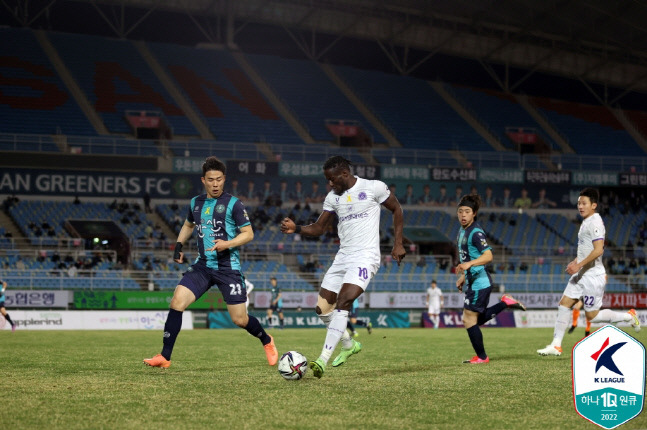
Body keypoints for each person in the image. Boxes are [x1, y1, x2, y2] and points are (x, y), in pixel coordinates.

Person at [144, 156, 277, 369]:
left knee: (240, 320)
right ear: (203, 180)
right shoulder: (195, 203)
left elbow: (249, 234)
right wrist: (178, 245)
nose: (215, 184)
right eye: (210, 180)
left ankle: (266, 340)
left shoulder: (233, 204)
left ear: (224, 179)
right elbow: (189, 225)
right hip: (203, 266)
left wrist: (227, 244)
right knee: (177, 301)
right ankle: (165, 356)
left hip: (228, 268)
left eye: (219, 179)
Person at [280, 156, 405, 378]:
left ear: (344, 174)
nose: (330, 184)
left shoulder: (374, 187)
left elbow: (397, 209)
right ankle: (349, 345)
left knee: (344, 301)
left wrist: (398, 243)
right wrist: (296, 228)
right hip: (343, 257)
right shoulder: (333, 198)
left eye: (332, 179)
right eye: (327, 180)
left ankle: (322, 360)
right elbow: (319, 228)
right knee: (322, 310)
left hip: (366, 256)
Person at [537, 188, 640, 356]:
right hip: (582, 273)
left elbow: (599, 250)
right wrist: (576, 262)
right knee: (564, 304)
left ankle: (629, 316)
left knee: (592, 316)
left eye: (584, 203)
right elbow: (587, 249)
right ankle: (556, 345)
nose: (580, 206)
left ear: (594, 205)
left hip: (592, 276)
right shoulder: (586, 221)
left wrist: (579, 265)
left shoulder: (595, 223)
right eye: (579, 203)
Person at [455, 194, 526, 364]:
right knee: (473, 320)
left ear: (474, 213)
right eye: (460, 211)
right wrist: (464, 276)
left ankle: (482, 357)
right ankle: (505, 303)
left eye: (467, 211)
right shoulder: (462, 231)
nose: (463, 215)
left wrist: (468, 265)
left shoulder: (476, 233)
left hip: (480, 283)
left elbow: (488, 256)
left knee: (468, 319)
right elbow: (468, 257)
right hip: (473, 281)